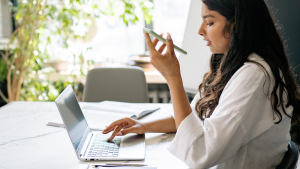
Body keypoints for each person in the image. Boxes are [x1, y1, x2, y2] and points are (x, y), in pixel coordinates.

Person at [102, 0, 300, 168]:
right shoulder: (233, 64)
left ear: (237, 24)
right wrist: (143, 126)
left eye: (210, 22)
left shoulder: (255, 75)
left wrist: (173, 78)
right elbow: (193, 118)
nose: (200, 31)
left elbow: (200, 154)